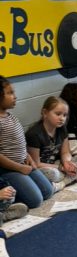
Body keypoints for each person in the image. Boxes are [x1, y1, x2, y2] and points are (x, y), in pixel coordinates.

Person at [0, 76, 54, 208]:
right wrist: (19, 168)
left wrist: (28, 157)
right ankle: (7, 202)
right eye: (10, 93)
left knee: (48, 191)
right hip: (8, 170)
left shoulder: (11, 116)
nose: (15, 96)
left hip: (23, 164)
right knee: (35, 200)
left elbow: (20, 143)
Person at [25, 97, 77, 186]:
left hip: (56, 164)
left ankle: (62, 181)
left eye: (65, 115)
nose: (62, 118)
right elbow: (36, 164)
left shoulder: (62, 128)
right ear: (45, 113)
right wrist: (61, 168)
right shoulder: (34, 134)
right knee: (54, 174)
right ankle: (69, 179)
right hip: (43, 168)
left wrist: (66, 163)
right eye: (58, 114)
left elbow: (65, 152)